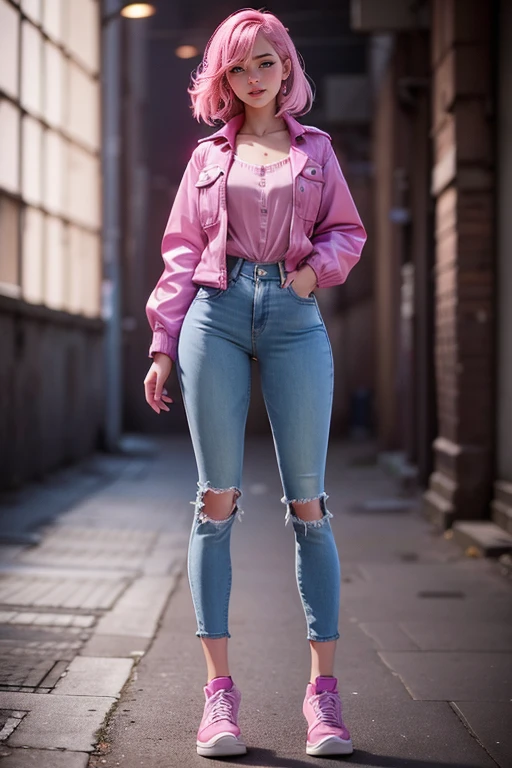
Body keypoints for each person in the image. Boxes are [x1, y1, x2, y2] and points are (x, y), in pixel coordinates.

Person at [144, 8, 367, 759]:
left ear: (287, 66)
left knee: (308, 503)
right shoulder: (207, 158)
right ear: (224, 79)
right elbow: (180, 254)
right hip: (216, 310)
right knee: (216, 501)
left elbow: (347, 232)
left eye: (265, 63)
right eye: (238, 68)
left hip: (294, 311)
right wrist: (162, 346)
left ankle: (324, 700)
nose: (253, 78)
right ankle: (218, 698)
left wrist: (311, 275)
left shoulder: (318, 151)